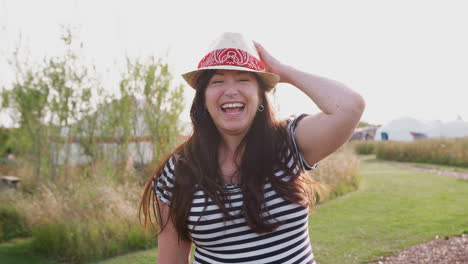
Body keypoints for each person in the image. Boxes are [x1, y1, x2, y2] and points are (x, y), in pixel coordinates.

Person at [139, 32, 365, 264]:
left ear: (260, 96)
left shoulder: (290, 142)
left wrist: (284, 71)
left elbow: (350, 106)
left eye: (243, 79)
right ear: (203, 99)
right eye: (217, 81)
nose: (231, 90)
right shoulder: (178, 169)